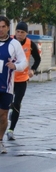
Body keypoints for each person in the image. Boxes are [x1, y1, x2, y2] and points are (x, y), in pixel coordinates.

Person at [7, 22, 41, 141]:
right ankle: (10, 109)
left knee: (17, 104)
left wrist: (33, 70)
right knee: (7, 103)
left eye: (22, 32)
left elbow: (37, 59)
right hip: (8, 78)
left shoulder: (30, 43)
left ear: (26, 33)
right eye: (18, 32)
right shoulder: (8, 41)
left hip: (22, 79)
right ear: (14, 32)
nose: (19, 34)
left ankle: (11, 130)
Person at [0, 16, 28, 153]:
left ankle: (0, 141)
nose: (0, 30)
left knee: (3, 114)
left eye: (3, 27)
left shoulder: (14, 44)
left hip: (6, 85)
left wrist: (15, 66)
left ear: (7, 28)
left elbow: (24, 62)